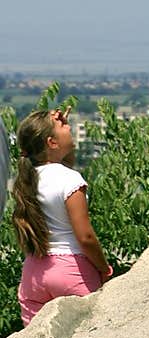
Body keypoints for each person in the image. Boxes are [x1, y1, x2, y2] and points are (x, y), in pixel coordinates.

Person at [12, 106, 112, 325]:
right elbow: (85, 237)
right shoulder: (70, 180)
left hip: (34, 272)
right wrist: (104, 269)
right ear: (52, 142)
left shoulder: (27, 178)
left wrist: (56, 128)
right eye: (63, 126)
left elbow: (61, 162)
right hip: (71, 269)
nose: (69, 127)